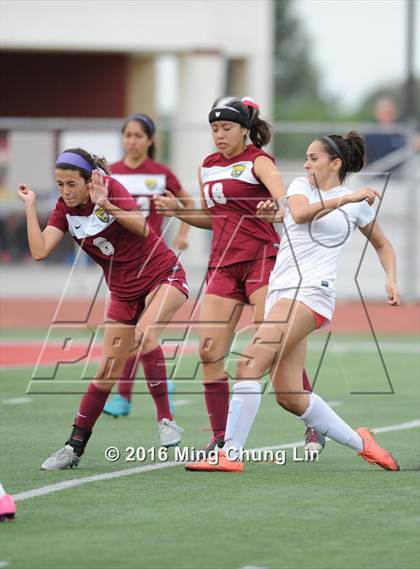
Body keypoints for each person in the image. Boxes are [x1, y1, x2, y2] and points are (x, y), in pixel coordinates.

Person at [183, 131, 401, 472]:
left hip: (312, 293)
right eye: (306, 157)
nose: (306, 163)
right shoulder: (302, 187)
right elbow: (298, 214)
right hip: (281, 293)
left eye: (313, 158)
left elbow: (383, 245)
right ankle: (363, 443)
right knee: (289, 395)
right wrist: (347, 199)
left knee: (247, 365)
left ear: (336, 163)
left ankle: (230, 454)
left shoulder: (355, 202)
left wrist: (390, 278)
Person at [154, 96, 323, 454]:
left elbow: (286, 203)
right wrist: (177, 211)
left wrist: (272, 208)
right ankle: (220, 438)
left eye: (226, 127)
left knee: (274, 347)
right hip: (222, 267)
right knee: (209, 351)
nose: (219, 134)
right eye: (214, 128)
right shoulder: (208, 165)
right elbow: (212, 217)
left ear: (245, 130)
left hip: (263, 261)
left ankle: (313, 422)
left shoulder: (259, 161)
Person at [17, 148, 188, 470]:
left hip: (163, 274)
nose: (65, 191)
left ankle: (166, 420)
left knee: (146, 335)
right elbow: (39, 251)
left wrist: (105, 203)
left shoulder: (110, 188)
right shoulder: (62, 209)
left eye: (71, 184)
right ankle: (73, 448)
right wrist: (29, 207)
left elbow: (141, 226)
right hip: (123, 292)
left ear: (88, 180)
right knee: (107, 371)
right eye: (60, 184)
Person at [103, 113, 193, 418]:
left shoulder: (161, 173)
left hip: (154, 261)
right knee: (131, 333)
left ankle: (129, 395)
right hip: (122, 265)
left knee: (143, 331)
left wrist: (182, 233)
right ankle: (128, 395)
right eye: (127, 135)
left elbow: (187, 203)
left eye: (138, 135)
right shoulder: (109, 172)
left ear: (150, 140)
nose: (132, 141)